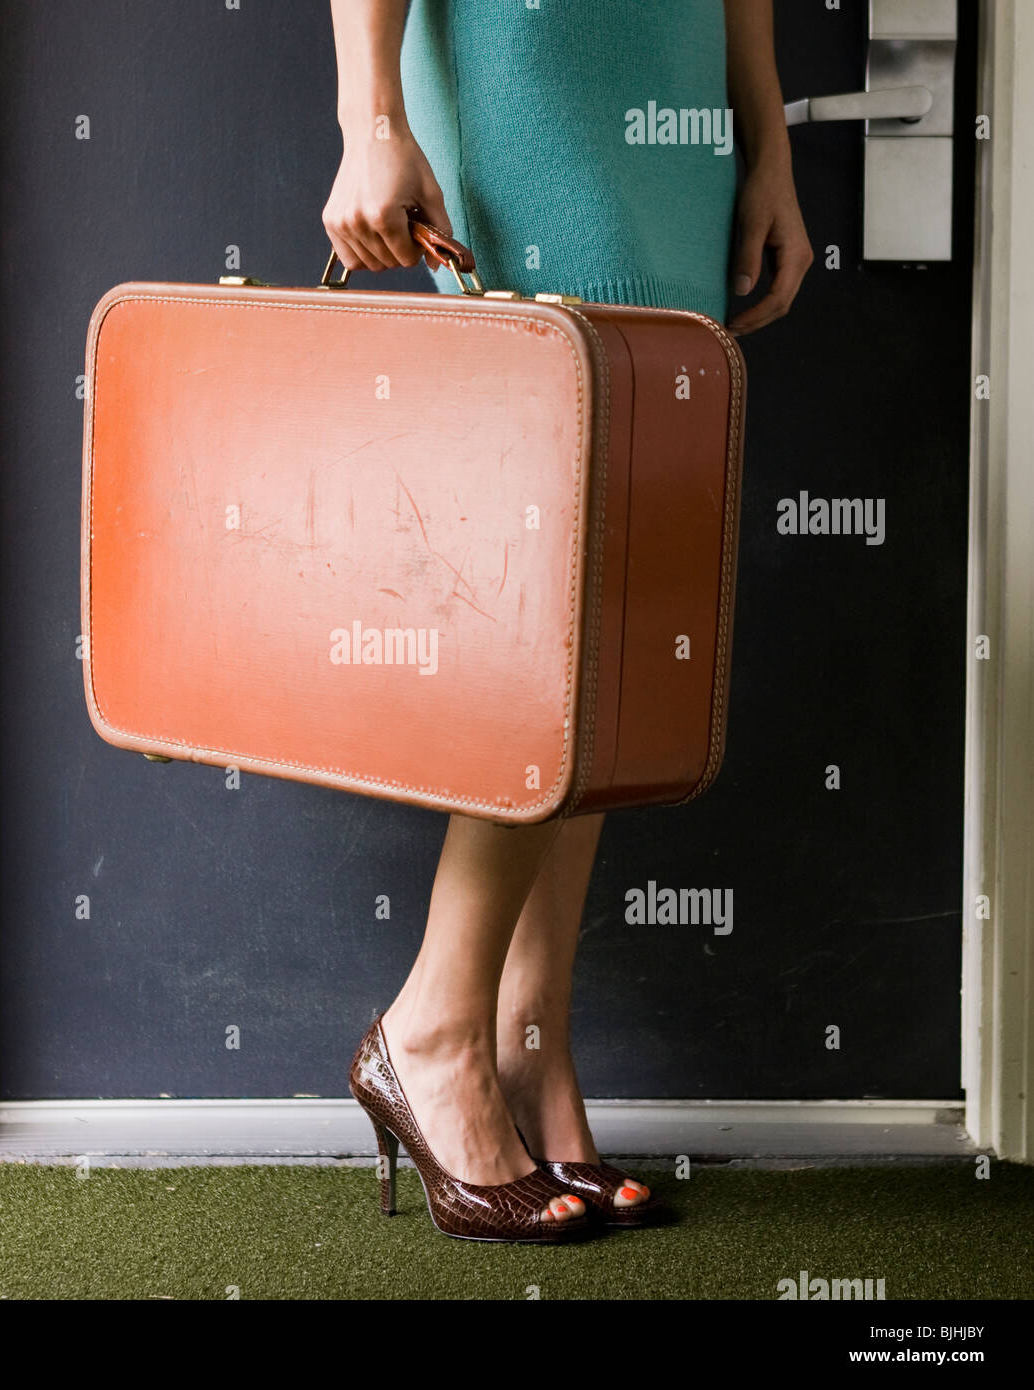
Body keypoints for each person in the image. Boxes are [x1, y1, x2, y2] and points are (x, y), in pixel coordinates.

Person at [326, 0, 812, 1243]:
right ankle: (431, 1027)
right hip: (520, 86)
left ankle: (525, 1041)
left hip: (670, 102)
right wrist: (367, 112)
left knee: (619, 590)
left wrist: (766, 144)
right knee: (550, 587)